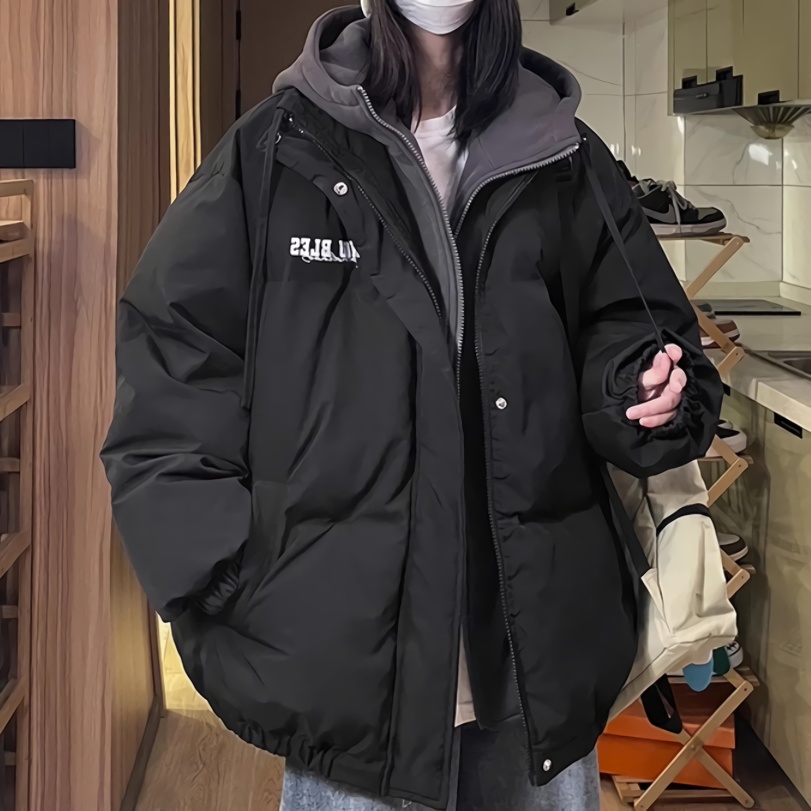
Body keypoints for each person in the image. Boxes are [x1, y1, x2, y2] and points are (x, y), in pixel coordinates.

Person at [102, 0, 723, 808]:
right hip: (346, 678)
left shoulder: (564, 156)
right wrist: (220, 575)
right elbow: (172, 356)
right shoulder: (276, 149)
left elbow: (636, 327)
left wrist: (639, 390)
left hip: (532, 669)